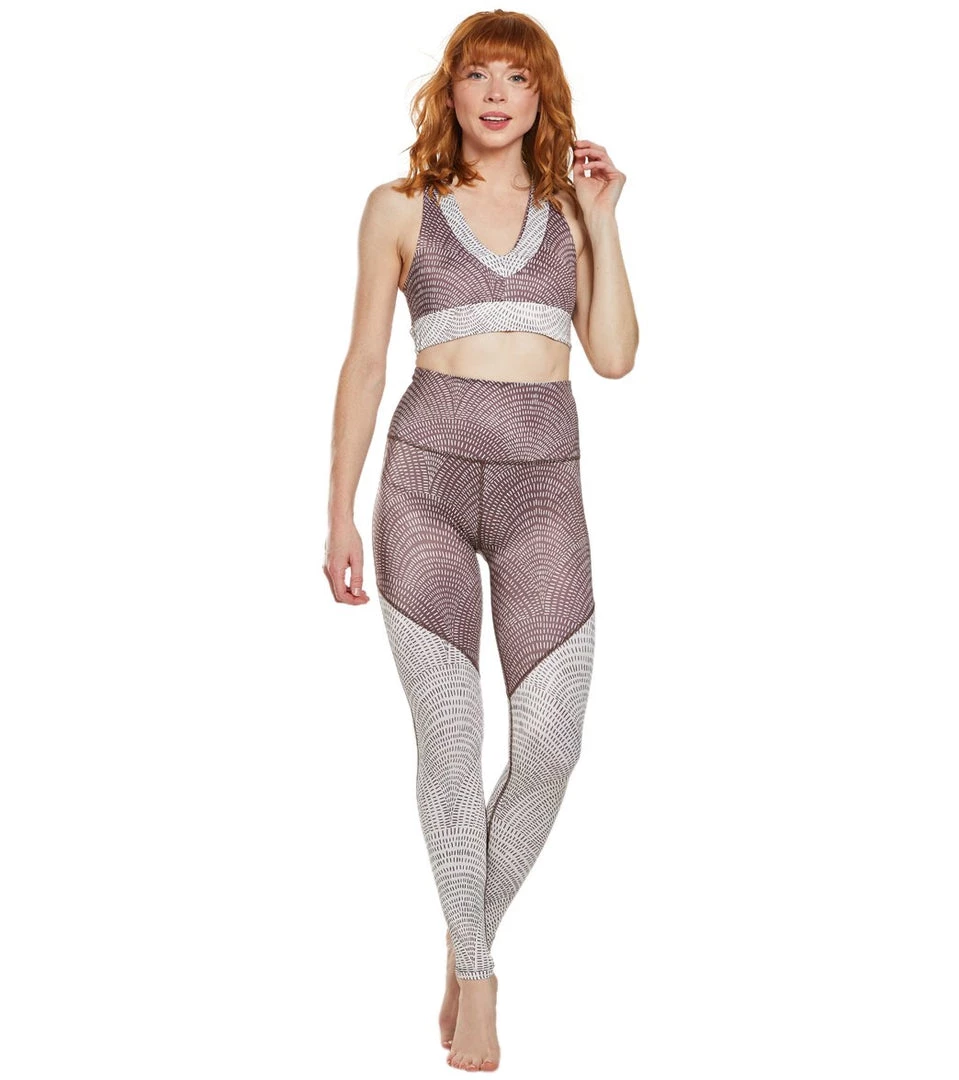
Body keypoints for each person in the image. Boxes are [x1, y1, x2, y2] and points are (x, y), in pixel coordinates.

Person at [324, 9, 638, 1071]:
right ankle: (477, 975)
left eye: (518, 78)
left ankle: (464, 934)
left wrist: (603, 222)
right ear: (448, 92)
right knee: (452, 743)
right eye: (476, 75)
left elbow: (613, 357)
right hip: (423, 486)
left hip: (544, 491)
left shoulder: (566, 212)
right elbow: (364, 364)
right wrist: (337, 511)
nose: (496, 95)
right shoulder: (398, 207)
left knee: (549, 747)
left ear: (542, 98)